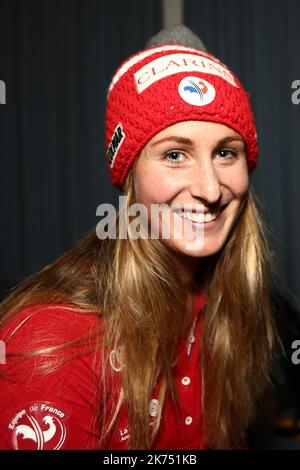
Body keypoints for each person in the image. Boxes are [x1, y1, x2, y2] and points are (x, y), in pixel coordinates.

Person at [0, 25, 282, 450]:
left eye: (225, 152)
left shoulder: (223, 308)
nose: (209, 189)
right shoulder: (53, 340)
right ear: (130, 176)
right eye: (174, 154)